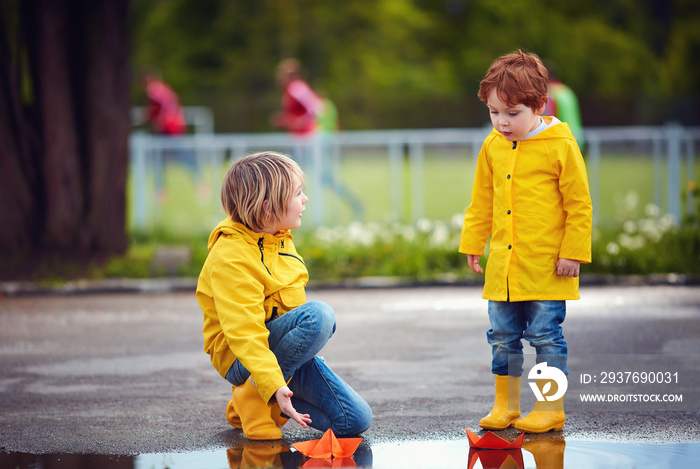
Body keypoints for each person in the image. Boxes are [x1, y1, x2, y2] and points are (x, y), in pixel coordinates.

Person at [195, 152, 372, 440]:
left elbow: (289, 313)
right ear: (268, 208)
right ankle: (254, 396)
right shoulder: (230, 256)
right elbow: (246, 334)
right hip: (243, 357)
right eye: (298, 193)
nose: (305, 200)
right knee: (320, 317)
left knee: (354, 421)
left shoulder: (279, 238)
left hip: (277, 353)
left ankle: (251, 400)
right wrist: (273, 383)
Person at [459, 50, 592, 433]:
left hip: (548, 265)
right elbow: (481, 200)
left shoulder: (560, 145)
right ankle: (506, 406)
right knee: (502, 337)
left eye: (512, 113)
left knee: (545, 335)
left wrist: (573, 253)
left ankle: (550, 407)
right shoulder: (492, 146)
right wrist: (473, 242)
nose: (501, 122)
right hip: (503, 267)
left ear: (538, 104)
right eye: (493, 112)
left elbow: (579, 205)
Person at [272, 59, 363, 220]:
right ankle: (283, 215)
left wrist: (294, 122)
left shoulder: (296, 88)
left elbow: (318, 109)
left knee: (288, 176)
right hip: (302, 142)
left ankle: (354, 204)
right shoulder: (294, 89)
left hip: (306, 142)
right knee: (291, 176)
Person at [545, 64, 584, 146]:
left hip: (560, 139)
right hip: (576, 137)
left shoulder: (550, 92)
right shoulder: (567, 91)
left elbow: (550, 116)